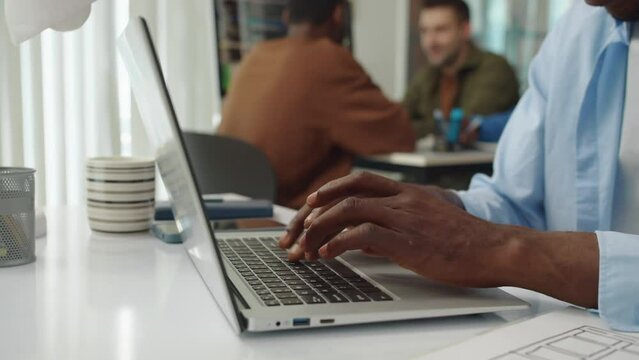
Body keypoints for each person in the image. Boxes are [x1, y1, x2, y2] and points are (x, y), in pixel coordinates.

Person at [280, 0, 639, 331]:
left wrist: (507, 248)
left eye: (442, 30)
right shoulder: (575, 29)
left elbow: (433, 126)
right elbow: (515, 200)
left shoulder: (492, 70)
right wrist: (442, 208)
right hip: (557, 323)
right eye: (425, 31)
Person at [218, 0, 415, 209]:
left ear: (286, 16)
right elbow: (400, 135)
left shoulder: (256, 55)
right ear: (338, 14)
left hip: (233, 213)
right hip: (288, 221)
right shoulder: (329, 59)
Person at [404, 0, 520, 141]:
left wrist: (411, 128)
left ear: (465, 30)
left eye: (440, 30)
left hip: (480, 163)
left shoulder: (494, 68)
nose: (430, 41)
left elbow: (461, 128)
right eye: (424, 31)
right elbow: (395, 122)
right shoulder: (428, 74)